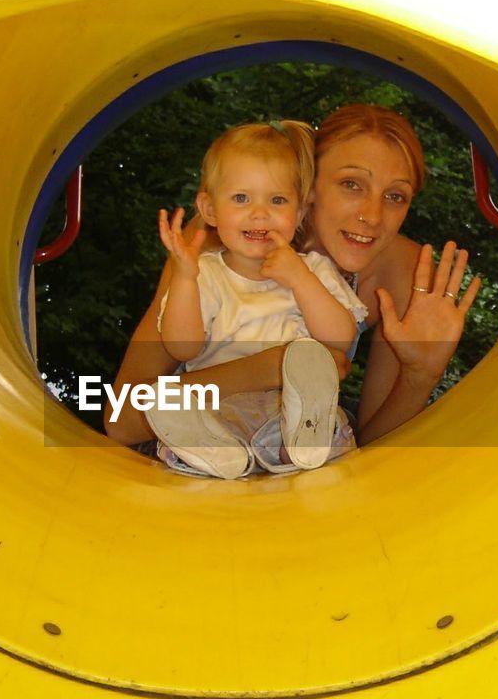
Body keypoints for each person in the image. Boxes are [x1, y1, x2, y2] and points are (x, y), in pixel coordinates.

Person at [106, 103, 482, 455]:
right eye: (351, 184)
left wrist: (421, 374)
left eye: (396, 196)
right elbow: (122, 420)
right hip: (200, 439)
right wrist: (273, 368)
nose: (372, 215)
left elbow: (372, 451)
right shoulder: (216, 241)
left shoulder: (403, 273)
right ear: (308, 186)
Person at [149, 120, 368, 478]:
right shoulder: (206, 274)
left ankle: (294, 445)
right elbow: (181, 347)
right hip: (220, 410)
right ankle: (220, 454)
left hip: (295, 409)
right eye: (241, 198)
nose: (259, 212)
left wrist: (301, 280)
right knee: (171, 403)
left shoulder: (312, 270)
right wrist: (185, 279)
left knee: (313, 412)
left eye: (277, 200)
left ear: (298, 214)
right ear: (209, 210)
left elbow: (340, 339)